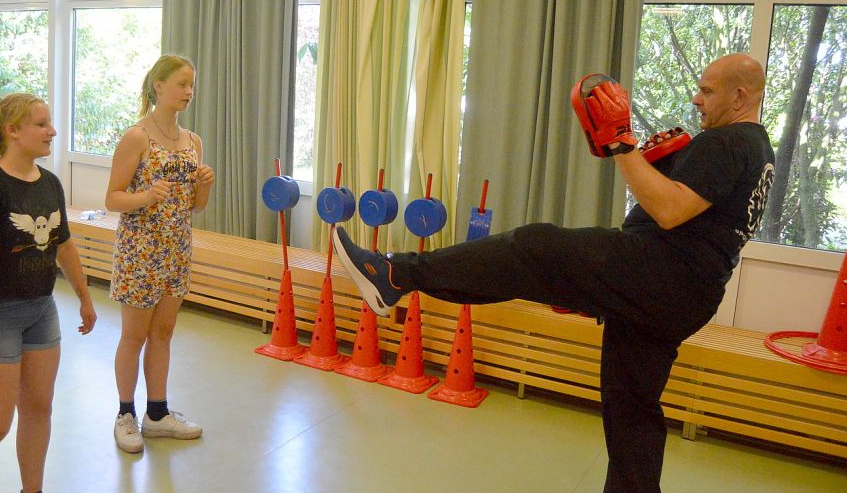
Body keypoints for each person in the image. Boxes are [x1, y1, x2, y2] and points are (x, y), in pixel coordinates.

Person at [332, 53, 775, 493]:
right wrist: (646, 164)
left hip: (661, 271)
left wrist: (622, 143)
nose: (697, 99)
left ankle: (393, 275)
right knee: (632, 408)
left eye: (707, 90)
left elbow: (669, 210)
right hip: (684, 293)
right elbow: (686, 209)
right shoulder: (758, 148)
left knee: (534, 247)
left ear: (739, 96)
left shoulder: (728, 142)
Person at [0, 93, 97, 493]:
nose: (52, 131)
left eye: (50, 123)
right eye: (41, 124)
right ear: (12, 131)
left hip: (41, 311)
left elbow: (63, 245)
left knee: (38, 409)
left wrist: (84, 296)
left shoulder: (50, 183)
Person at [106, 54, 215, 453]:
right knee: (134, 335)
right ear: (159, 86)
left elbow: (195, 205)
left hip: (176, 250)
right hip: (140, 251)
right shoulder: (137, 137)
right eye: (182, 84)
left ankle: (157, 414)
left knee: (163, 333)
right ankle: (124, 414)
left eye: (192, 86)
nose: (188, 92)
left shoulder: (193, 141)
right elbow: (112, 198)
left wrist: (205, 182)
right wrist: (147, 196)